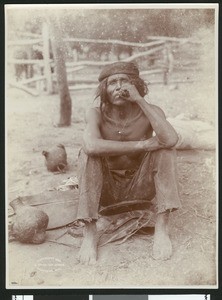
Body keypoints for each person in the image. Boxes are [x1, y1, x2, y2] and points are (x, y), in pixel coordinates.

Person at [76, 61, 181, 265]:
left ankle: (162, 228)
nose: (118, 87)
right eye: (112, 82)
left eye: (124, 81)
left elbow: (170, 139)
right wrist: (142, 145)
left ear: (135, 85)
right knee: (87, 153)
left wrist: (140, 100)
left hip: (140, 187)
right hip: (107, 191)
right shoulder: (95, 114)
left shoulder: (151, 110)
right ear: (104, 90)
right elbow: (91, 145)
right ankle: (90, 233)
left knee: (165, 150)